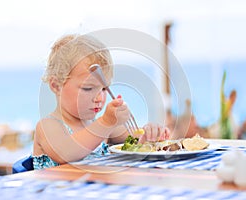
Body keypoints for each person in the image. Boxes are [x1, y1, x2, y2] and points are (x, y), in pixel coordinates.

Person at [33, 34, 170, 170]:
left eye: (104, 88)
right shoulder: (48, 126)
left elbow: (136, 140)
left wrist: (150, 133)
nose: (99, 98)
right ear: (56, 86)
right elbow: (65, 153)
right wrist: (106, 122)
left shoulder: (102, 127)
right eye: (88, 88)